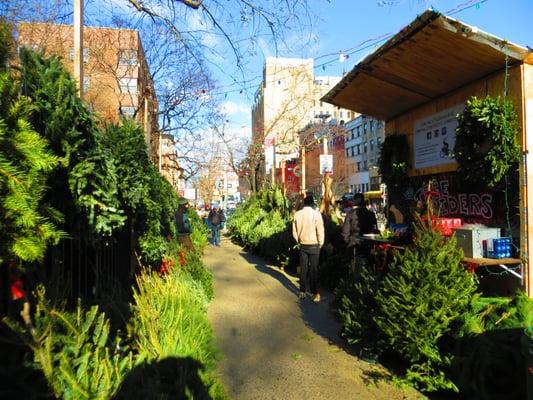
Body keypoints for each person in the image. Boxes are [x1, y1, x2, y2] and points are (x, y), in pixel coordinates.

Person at [292, 194, 324, 302]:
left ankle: (302, 291)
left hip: (303, 244)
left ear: (304, 203)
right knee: (313, 269)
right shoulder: (316, 214)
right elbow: (320, 230)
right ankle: (314, 293)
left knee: (303, 268)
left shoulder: (297, 214)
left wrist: (298, 241)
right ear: (312, 203)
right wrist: (320, 243)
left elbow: (294, 232)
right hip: (314, 244)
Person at [342, 193, 378, 258]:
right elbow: (375, 230)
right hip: (368, 244)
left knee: (354, 265)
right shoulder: (371, 214)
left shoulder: (350, 214)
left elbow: (345, 232)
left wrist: (348, 243)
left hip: (354, 244)